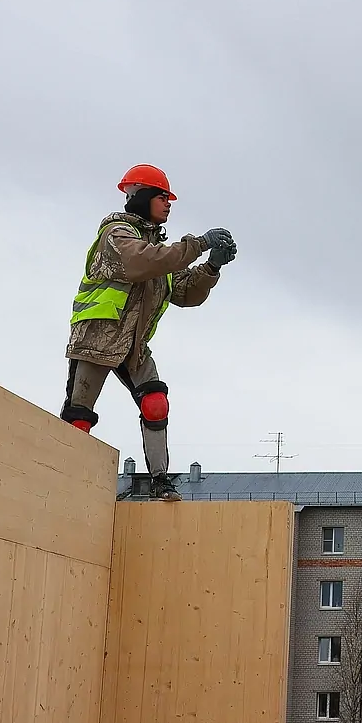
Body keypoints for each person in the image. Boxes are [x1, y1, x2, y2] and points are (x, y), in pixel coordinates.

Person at [60, 163, 237, 500]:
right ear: (141, 198)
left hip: (134, 346)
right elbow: (143, 261)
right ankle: (67, 479)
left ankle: (160, 481)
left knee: (156, 404)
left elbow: (184, 292)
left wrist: (211, 267)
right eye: (161, 197)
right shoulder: (117, 236)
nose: (169, 203)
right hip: (98, 339)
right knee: (79, 417)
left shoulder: (158, 251)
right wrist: (198, 244)